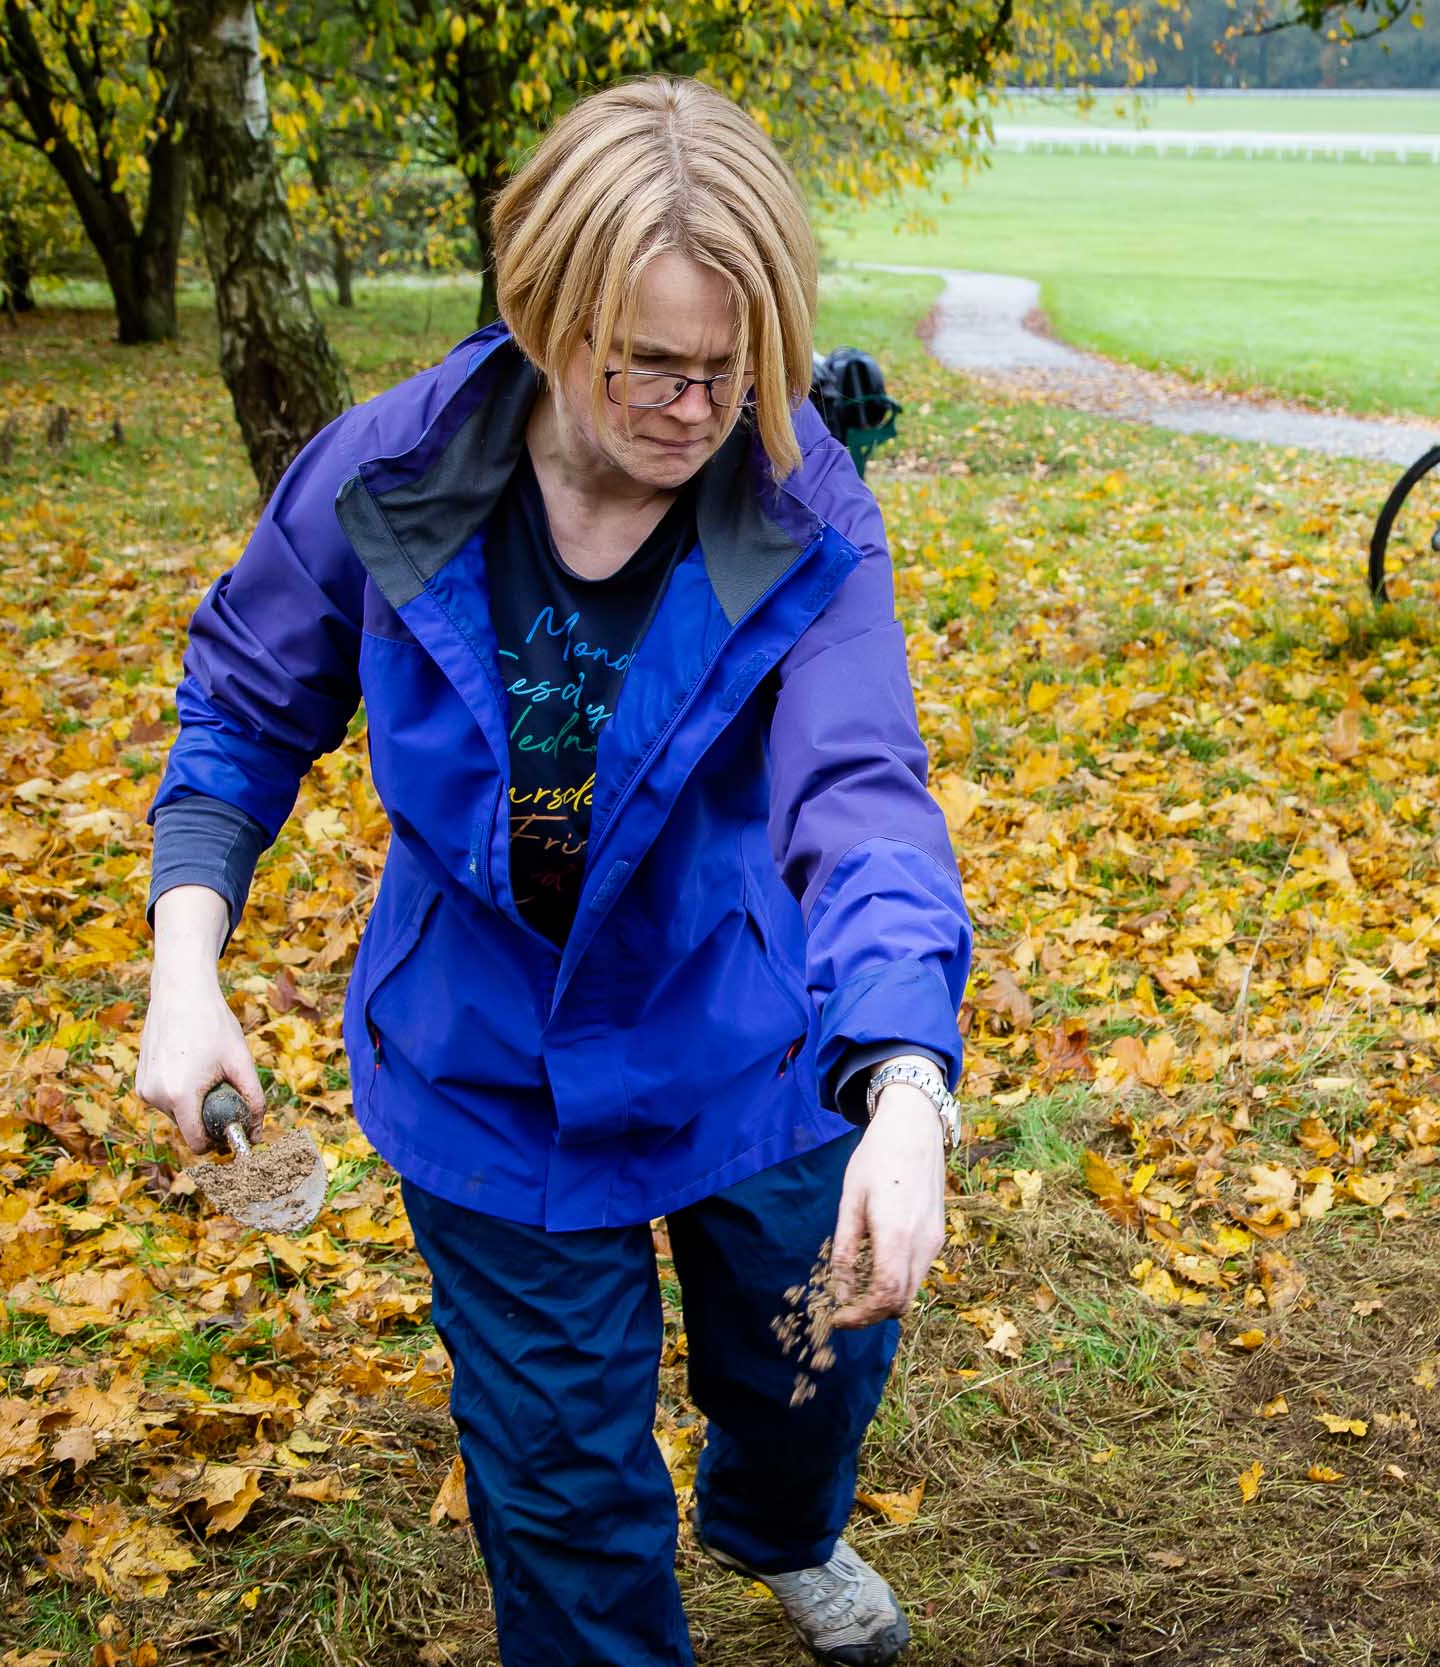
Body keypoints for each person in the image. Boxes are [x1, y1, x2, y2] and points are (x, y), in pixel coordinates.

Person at [133, 75, 972, 1667]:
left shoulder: (801, 511)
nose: (696, 407)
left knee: (807, 1378)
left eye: (734, 367)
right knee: (566, 1498)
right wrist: (188, 971)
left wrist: (912, 1090)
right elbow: (242, 710)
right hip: (486, 1073)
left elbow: (865, 800)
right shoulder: (385, 478)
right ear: (544, 315)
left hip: (749, 1042)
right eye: (650, 364)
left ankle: (784, 1528)